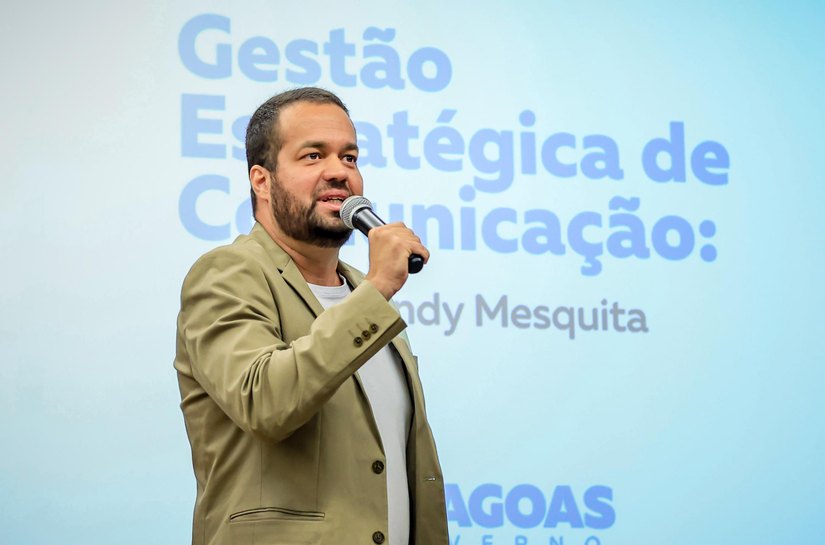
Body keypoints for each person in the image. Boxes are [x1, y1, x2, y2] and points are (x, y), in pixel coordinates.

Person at [174, 87, 449, 545]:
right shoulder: (226, 274)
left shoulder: (363, 293)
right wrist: (379, 287)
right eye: (313, 155)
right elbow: (265, 402)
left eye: (350, 157)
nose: (339, 172)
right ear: (261, 181)